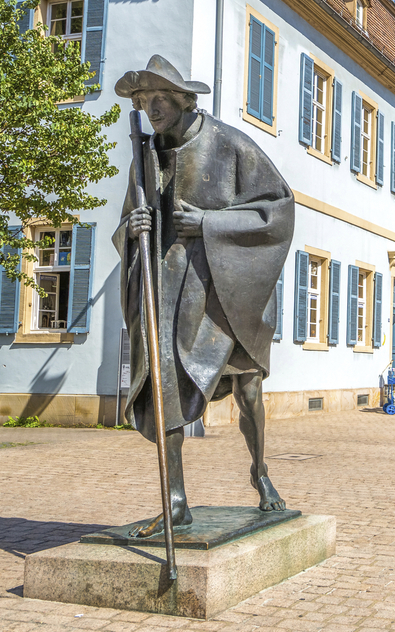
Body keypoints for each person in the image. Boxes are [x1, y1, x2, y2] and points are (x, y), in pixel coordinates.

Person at [114, 55, 296, 536]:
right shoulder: (146, 152)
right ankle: (175, 499)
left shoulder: (230, 143)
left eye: (158, 99)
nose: (150, 109)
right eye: (142, 101)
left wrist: (211, 223)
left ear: (182, 100)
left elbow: (278, 211)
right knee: (161, 382)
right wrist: (131, 230)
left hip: (230, 292)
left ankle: (259, 471)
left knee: (248, 387)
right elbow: (133, 217)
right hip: (172, 290)